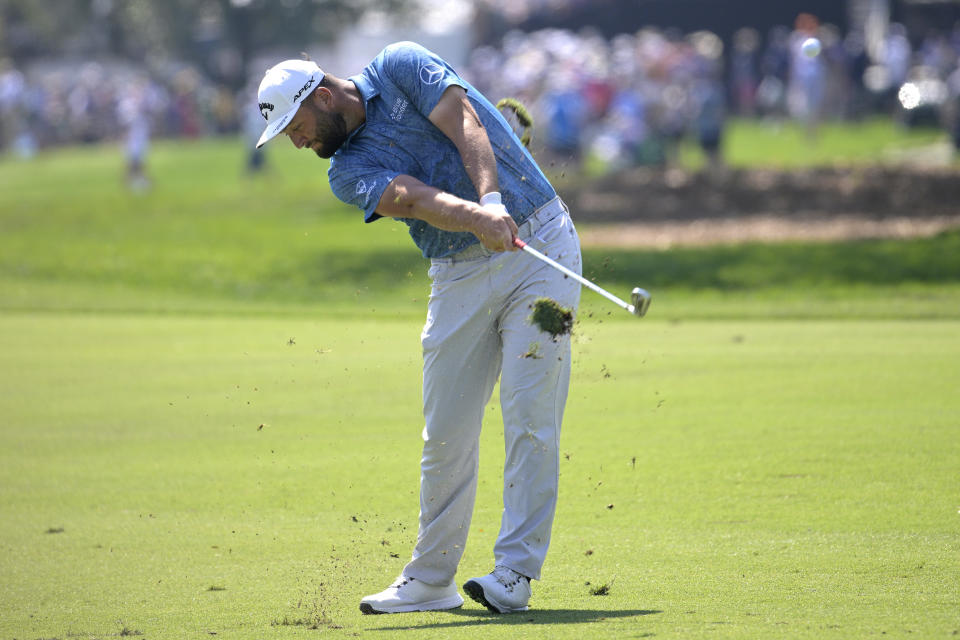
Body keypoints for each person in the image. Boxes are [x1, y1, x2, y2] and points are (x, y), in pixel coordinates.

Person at [254, 42, 582, 615]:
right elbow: (408, 197)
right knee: (446, 432)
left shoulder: (402, 64)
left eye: (297, 127)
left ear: (324, 97)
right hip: (456, 273)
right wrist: (477, 217)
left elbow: (465, 121)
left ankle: (514, 575)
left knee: (530, 416)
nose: (297, 142)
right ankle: (432, 579)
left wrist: (493, 201)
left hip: (539, 244)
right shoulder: (344, 170)